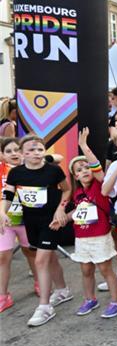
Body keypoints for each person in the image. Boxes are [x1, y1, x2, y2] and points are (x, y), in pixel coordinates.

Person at [0, 136, 71, 326]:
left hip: (51, 221)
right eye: (30, 150)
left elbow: (66, 189)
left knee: (41, 261)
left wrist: (60, 208)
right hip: (30, 221)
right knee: (50, 258)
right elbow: (8, 194)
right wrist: (2, 212)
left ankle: (44, 307)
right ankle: (63, 290)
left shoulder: (53, 170)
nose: (35, 154)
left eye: (39, 150)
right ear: (23, 153)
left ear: (44, 152)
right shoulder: (16, 173)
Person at [67, 128, 117, 319]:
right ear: (75, 176)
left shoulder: (100, 185)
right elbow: (77, 211)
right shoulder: (77, 193)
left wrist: (84, 146)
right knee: (85, 269)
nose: (84, 171)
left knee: (105, 268)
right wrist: (63, 218)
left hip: (100, 234)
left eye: (86, 168)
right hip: (81, 236)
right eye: (79, 170)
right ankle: (89, 298)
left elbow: (96, 167)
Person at [0, 139, 38, 312]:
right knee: (3, 256)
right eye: (9, 151)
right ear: (2, 155)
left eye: (17, 150)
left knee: (30, 252)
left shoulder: (30, 167)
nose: (14, 153)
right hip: (5, 221)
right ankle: (3, 296)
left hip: (27, 220)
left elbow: (57, 158)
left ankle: (39, 282)